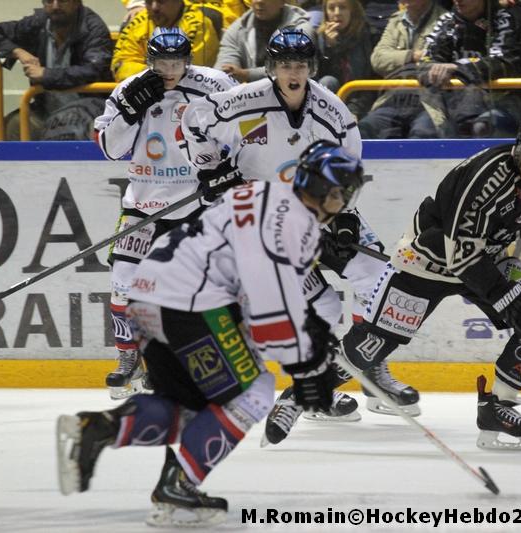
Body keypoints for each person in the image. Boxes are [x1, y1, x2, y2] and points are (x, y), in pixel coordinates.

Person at [56, 141, 365, 527]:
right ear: (319, 187)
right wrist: (307, 366)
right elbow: (270, 317)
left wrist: (308, 334)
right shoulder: (294, 222)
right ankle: (178, 487)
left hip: (147, 298)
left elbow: (261, 293)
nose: (340, 203)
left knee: (195, 407)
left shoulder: (262, 193)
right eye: (338, 193)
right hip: (189, 304)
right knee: (253, 392)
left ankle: (96, 428)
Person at [179, 27, 422, 442]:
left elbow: (350, 166)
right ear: (271, 68)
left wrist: (345, 217)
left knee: (380, 282)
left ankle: (372, 366)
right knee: (323, 308)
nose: (293, 73)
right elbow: (193, 120)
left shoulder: (333, 111)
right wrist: (211, 168)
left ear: (311, 67)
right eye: (285, 65)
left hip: (320, 213)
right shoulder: (242, 100)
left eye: (301, 65)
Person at [333, 113, 521, 451]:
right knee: (372, 346)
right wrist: (508, 297)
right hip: (427, 260)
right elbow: (462, 255)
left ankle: (498, 408)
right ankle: (306, 392)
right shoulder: (488, 176)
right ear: (519, 152)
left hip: (489, 257)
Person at [95, 27, 237, 399]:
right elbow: (109, 148)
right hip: (142, 206)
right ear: (150, 60)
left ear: (188, 60)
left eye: (177, 62)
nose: (170, 70)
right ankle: (128, 358)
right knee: (123, 282)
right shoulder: (130, 89)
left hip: (194, 205)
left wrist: (223, 171)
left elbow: (241, 134)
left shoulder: (215, 84)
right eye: (162, 62)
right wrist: (129, 112)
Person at [0, 0, 113, 140]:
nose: (55, 6)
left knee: (69, 124)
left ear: (76, 2)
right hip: (46, 109)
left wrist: (46, 75)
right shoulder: (38, 23)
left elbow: (94, 69)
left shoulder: (93, 27)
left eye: (62, 0)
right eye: (49, 1)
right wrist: (18, 51)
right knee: (13, 125)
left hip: (90, 108)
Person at [417, 0, 521, 138]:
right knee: (422, 130)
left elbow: (505, 63)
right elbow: (425, 63)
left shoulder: (505, 19)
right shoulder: (446, 21)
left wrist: (458, 69)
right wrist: (435, 69)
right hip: (450, 104)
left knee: (482, 127)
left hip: (500, 101)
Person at [358, 0, 448, 139]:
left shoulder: (446, 20)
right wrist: (412, 56)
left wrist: (398, 60)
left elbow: (433, 60)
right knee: (363, 130)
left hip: (429, 101)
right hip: (393, 96)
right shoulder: (396, 20)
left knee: (422, 136)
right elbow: (378, 59)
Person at [112, 0, 235, 82]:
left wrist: (149, 71)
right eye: (149, 1)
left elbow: (185, 71)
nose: (154, 7)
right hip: (146, 93)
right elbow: (120, 66)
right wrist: (151, 71)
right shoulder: (138, 22)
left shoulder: (201, 21)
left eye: (161, 1)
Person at [214, 0, 314, 82]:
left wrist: (247, 75)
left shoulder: (300, 29)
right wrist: (229, 72)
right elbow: (224, 65)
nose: (259, 1)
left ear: (282, 2)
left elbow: (291, 69)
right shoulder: (238, 28)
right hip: (250, 95)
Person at [315, 0, 378, 118]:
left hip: (362, 101)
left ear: (352, 11)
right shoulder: (320, 38)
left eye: (343, 7)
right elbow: (317, 79)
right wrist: (330, 48)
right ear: (325, 12)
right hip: (332, 103)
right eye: (331, 8)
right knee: (327, 81)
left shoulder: (369, 35)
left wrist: (354, 111)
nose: (337, 13)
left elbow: (371, 82)